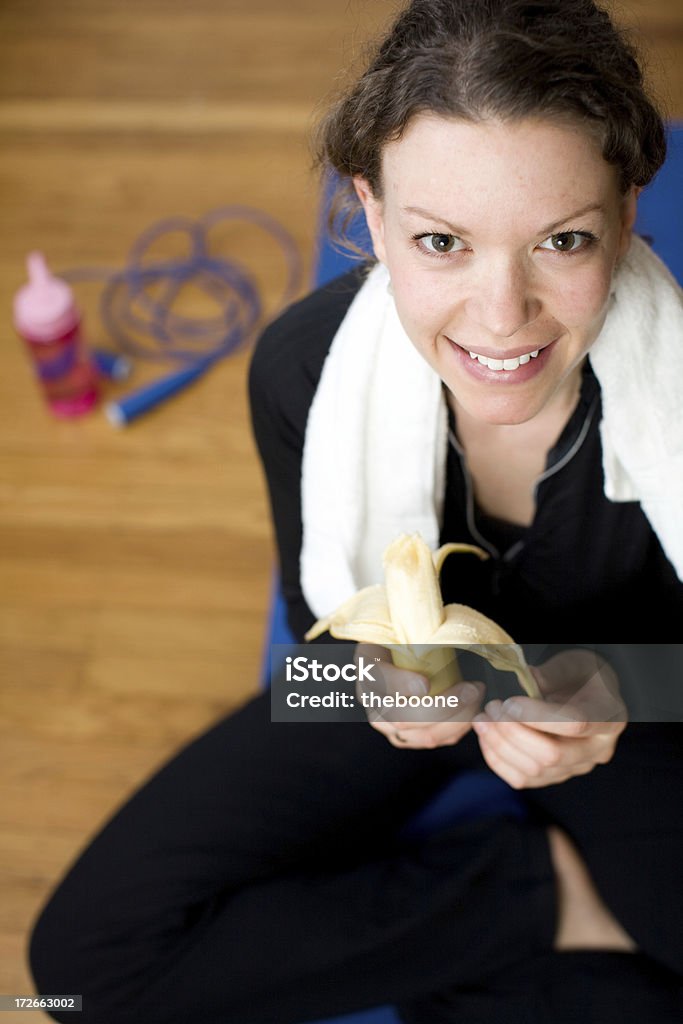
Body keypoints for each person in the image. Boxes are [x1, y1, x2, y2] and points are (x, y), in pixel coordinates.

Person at [29, 1, 682, 1022]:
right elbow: (316, 613)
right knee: (82, 968)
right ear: (370, 215)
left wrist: (617, 686)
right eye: (439, 241)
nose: (499, 315)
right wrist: (377, 679)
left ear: (627, 211)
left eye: (560, 239)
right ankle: (549, 900)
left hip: (630, 699)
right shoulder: (301, 368)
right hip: (392, 672)